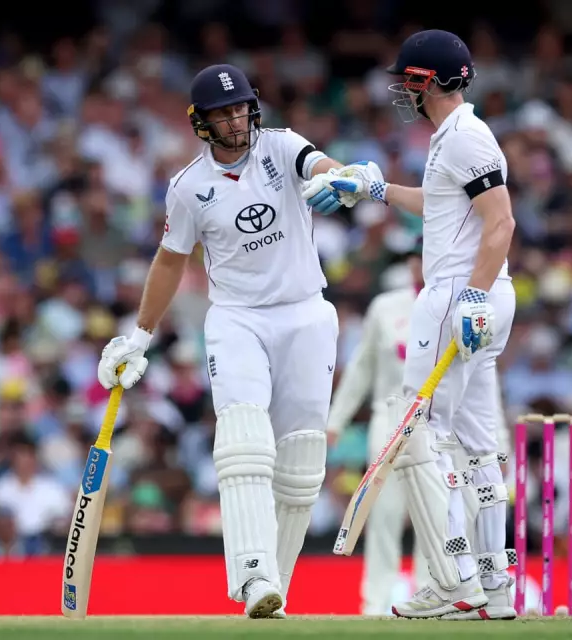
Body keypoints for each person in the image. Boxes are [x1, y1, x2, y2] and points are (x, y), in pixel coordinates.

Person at [96, 64, 356, 619]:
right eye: (223, 113)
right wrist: (139, 337)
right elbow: (170, 263)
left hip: (307, 313)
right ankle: (253, 572)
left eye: (240, 108)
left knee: (303, 459)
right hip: (237, 319)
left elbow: (322, 166)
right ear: (202, 122)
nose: (236, 119)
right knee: (244, 441)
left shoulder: (282, 147)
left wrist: (345, 178)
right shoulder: (190, 187)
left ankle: (274, 588)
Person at [311, 30, 518, 620]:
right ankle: (493, 587)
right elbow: (439, 204)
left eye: (411, 78)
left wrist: (472, 296)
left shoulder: (466, 137)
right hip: (473, 292)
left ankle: (452, 580)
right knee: (476, 446)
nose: (403, 87)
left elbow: (501, 223)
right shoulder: (453, 138)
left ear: (434, 80)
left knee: (418, 435)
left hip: (460, 292)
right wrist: (376, 189)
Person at [326, 242, 428, 615]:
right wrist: (336, 418)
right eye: (415, 258)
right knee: (382, 513)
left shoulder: (453, 305)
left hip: (435, 425)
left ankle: (429, 595)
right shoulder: (386, 307)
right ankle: (376, 601)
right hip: (389, 419)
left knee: (432, 518)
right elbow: (361, 367)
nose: (420, 265)